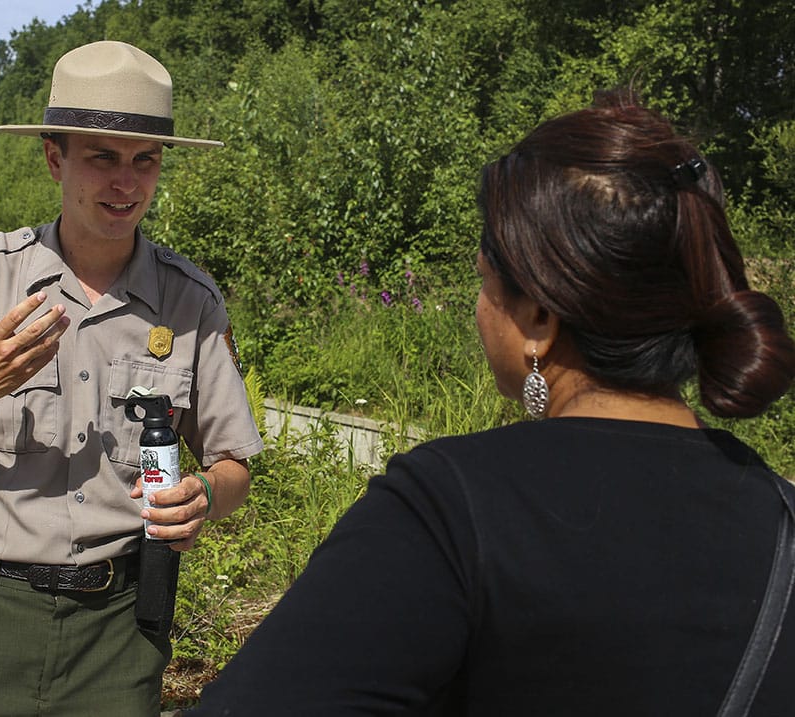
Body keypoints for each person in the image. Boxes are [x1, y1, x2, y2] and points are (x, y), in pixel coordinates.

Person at [186, 89, 795, 716]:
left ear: (537, 316)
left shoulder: (447, 506)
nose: (478, 307)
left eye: (483, 279)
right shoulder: (783, 516)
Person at [0, 40, 263, 716]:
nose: (126, 182)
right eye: (102, 157)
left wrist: (204, 494)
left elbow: (233, 463)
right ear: (54, 157)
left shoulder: (191, 302)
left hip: (119, 632)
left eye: (144, 160)